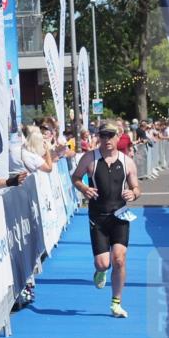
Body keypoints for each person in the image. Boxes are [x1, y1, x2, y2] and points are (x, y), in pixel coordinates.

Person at [70, 120, 141, 318]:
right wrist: (84, 188)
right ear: (98, 137)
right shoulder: (89, 158)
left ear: (118, 137)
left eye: (111, 135)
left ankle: (116, 303)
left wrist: (133, 194)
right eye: (103, 135)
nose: (107, 139)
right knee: (103, 263)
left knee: (119, 259)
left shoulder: (127, 161)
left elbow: (136, 188)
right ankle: (100, 271)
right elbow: (75, 177)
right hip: (98, 217)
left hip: (120, 216)